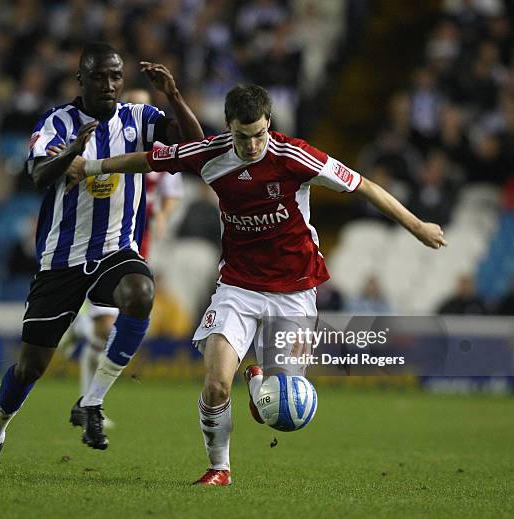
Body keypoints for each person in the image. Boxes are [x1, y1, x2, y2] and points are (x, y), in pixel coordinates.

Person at [52, 85, 447, 486]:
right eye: (243, 136)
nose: (252, 144)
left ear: (269, 124)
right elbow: (149, 160)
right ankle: (219, 468)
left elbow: (363, 185)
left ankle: (258, 380)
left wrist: (417, 227)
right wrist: (89, 167)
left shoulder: (294, 156)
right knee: (216, 384)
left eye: (259, 134)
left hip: (295, 293)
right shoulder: (210, 154)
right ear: (229, 128)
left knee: (284, 412)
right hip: (238, 288)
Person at [0, 41, 203, 474]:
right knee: (30, 368)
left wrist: (174, 95)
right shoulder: (58, 121)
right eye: (99, 76)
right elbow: (38, 175)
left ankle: (92, 400)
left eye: (116, 76)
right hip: (61, 260)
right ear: (81, 79)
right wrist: (73, 150)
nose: (110, 84)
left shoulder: (139, 119)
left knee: (140, 292)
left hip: (116, 250)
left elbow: (196, 148)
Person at [62, 87, 184, 401]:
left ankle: (90, 392)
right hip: (102, 242)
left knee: (112, 328)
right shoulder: (105, 145)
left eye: (148, 107)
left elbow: (171, 191)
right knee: (105, 329)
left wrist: (162, 216)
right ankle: (91, 398)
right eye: (136, 107)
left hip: (140, 243)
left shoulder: (161, 153)